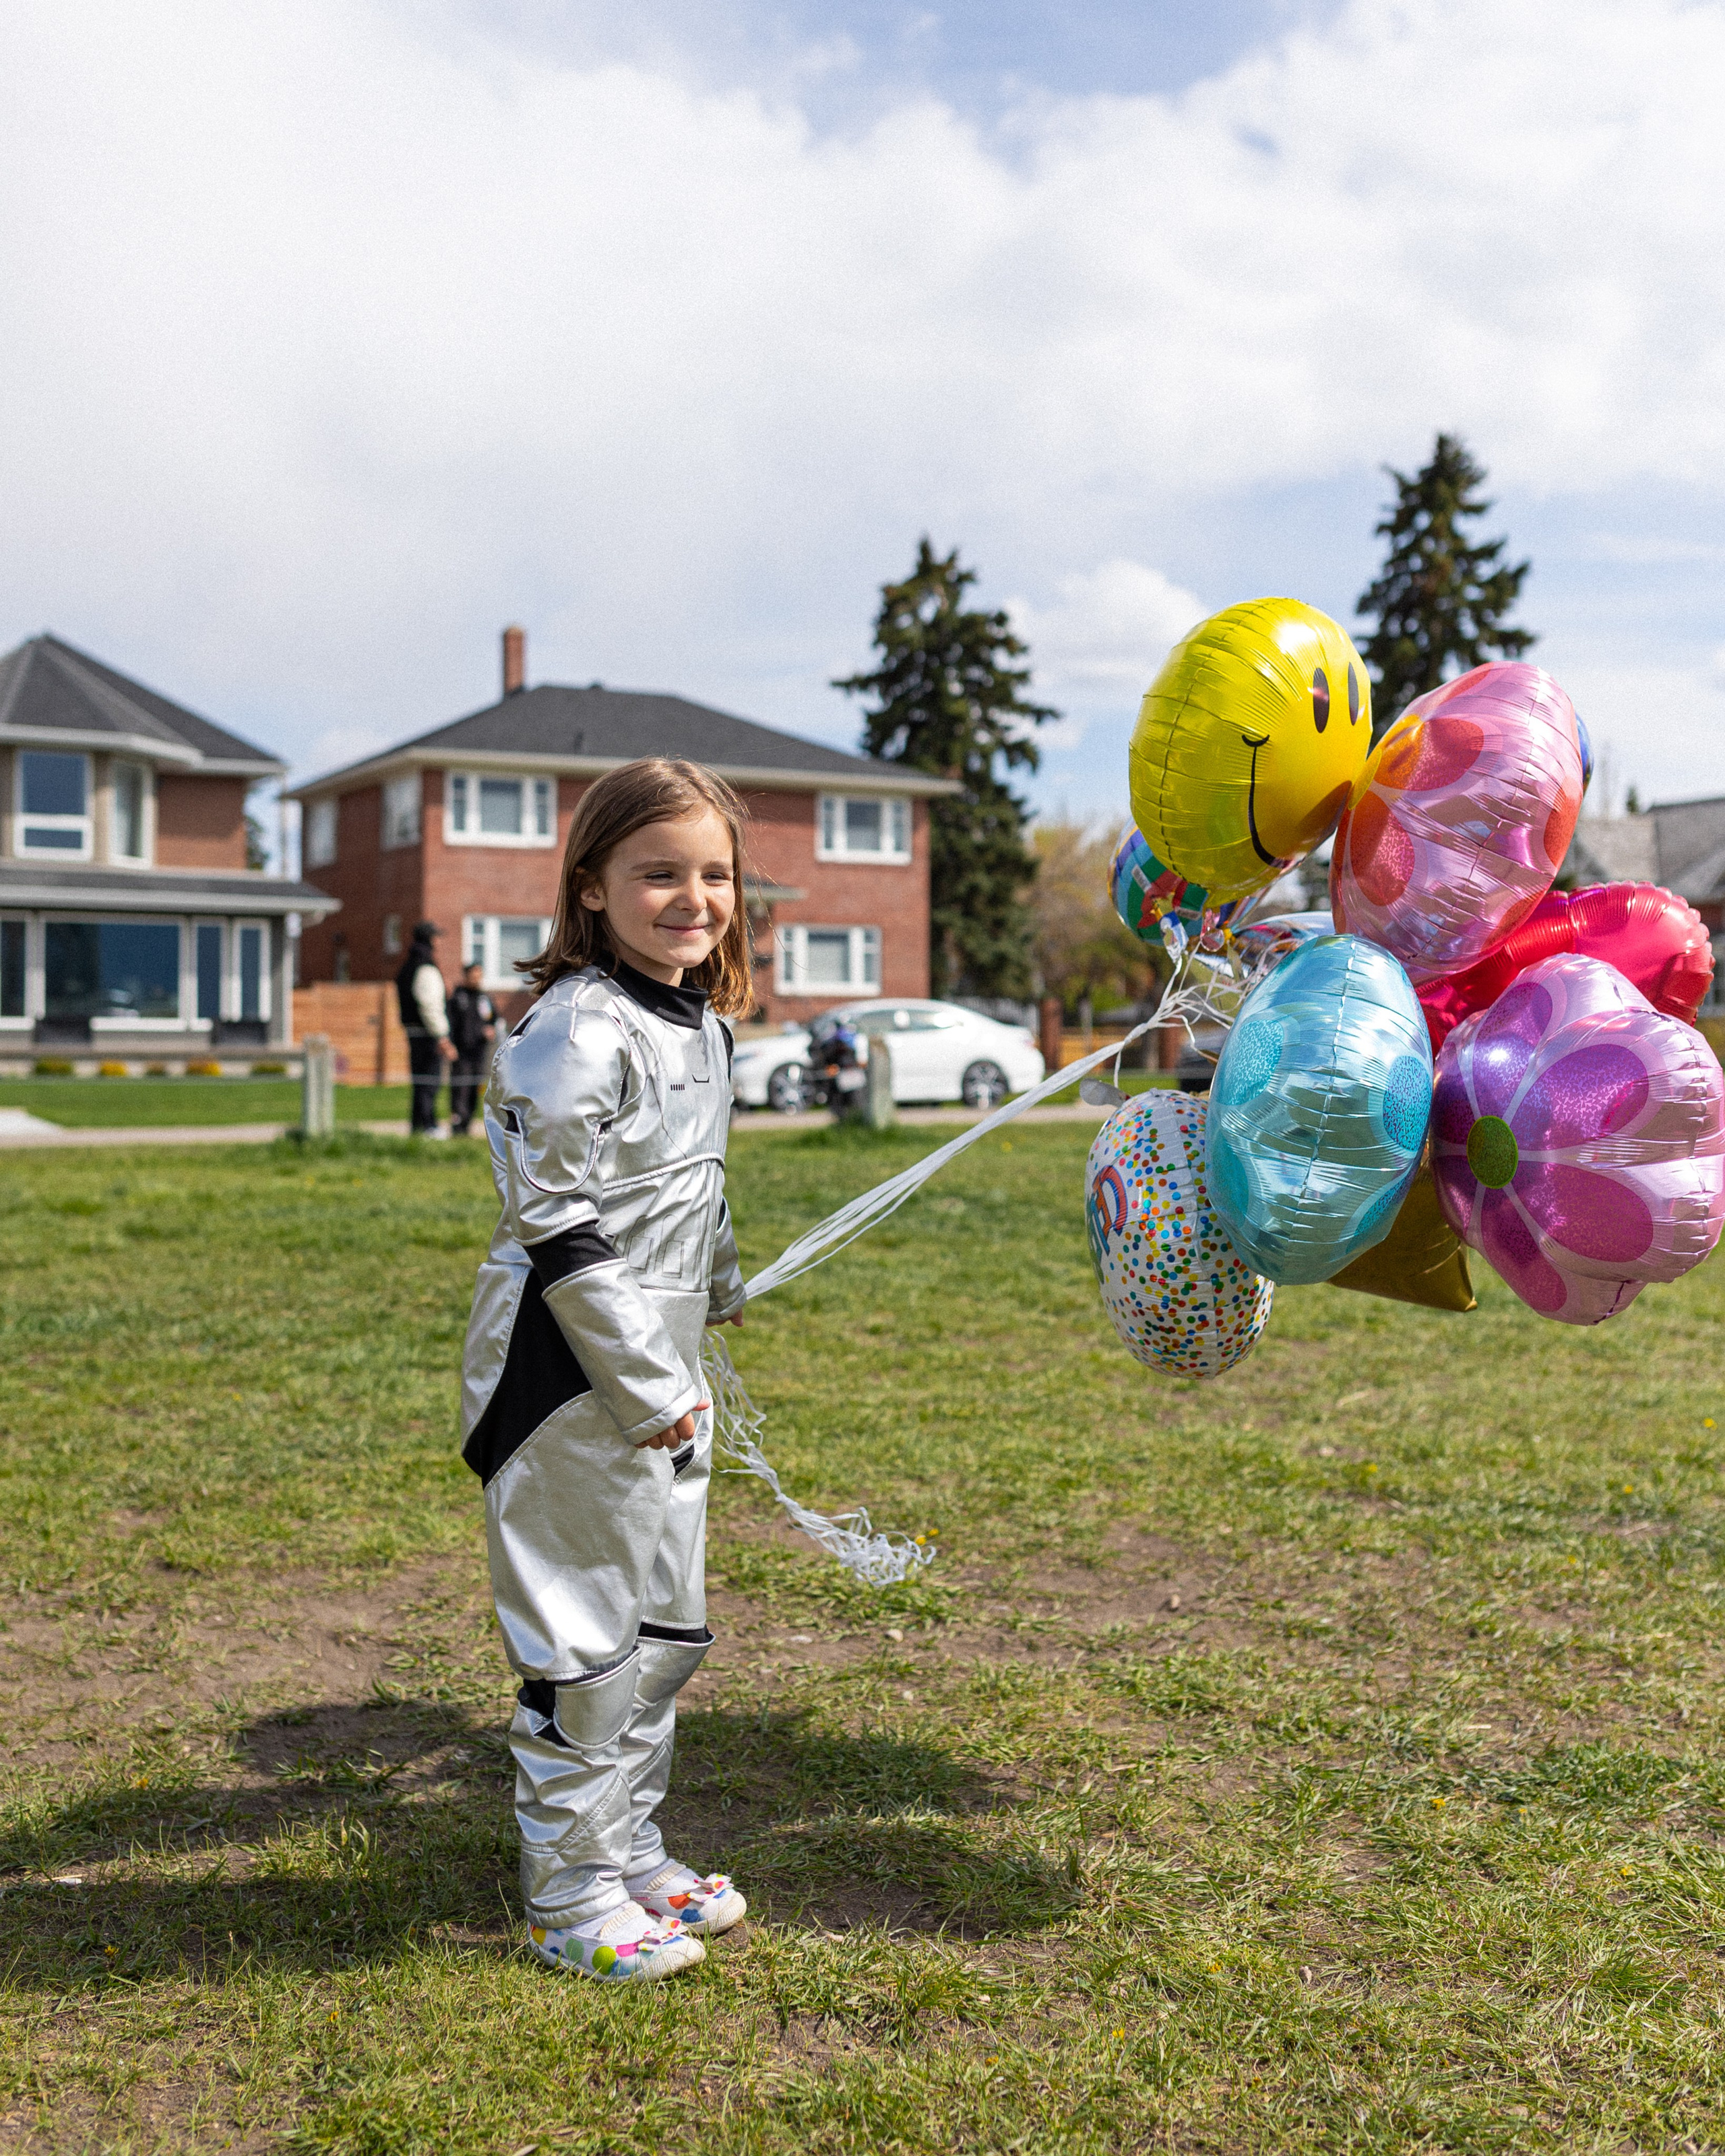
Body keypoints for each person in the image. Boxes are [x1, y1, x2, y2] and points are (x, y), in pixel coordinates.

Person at [460, 758, 753, 1984]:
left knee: (665, 1634)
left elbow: (692, 1189)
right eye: (659, 873)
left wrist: (720, 1283)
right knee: (585, 1647)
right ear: (591, 886)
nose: (693, 897)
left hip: (663, 1378)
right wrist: (645, 1388)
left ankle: (629, 1852)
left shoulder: (704, 1024)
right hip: (572, 1383)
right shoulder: (572, 1029)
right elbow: (562, 1224)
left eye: (715, 873)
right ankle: (567, 1893)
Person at [396, 921, 455, 1137]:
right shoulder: (425, 966)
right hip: (427, 1034)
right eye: (436, 937)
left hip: (415, 1031)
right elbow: (430, 1005)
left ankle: (418, 1127)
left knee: (420, 1082)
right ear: (430, 939)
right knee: (429, 1082)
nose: (439, 941)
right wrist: (442, 1036)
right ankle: (428, 1126)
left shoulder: (410, 963)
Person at [447, 961, 497, 1135]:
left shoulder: (485, 998)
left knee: (476, 1089)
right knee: (461, 1089)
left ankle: (468, 1124)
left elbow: (494, 1019)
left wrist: (491, 1029)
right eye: (473, 976)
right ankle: (458, 1125)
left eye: (479, 976)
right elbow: (450, 1024)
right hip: (461, 1054)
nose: (477, 979)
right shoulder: (457, 998)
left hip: (479, 1053)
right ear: (466, 976)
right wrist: (449, 1045)